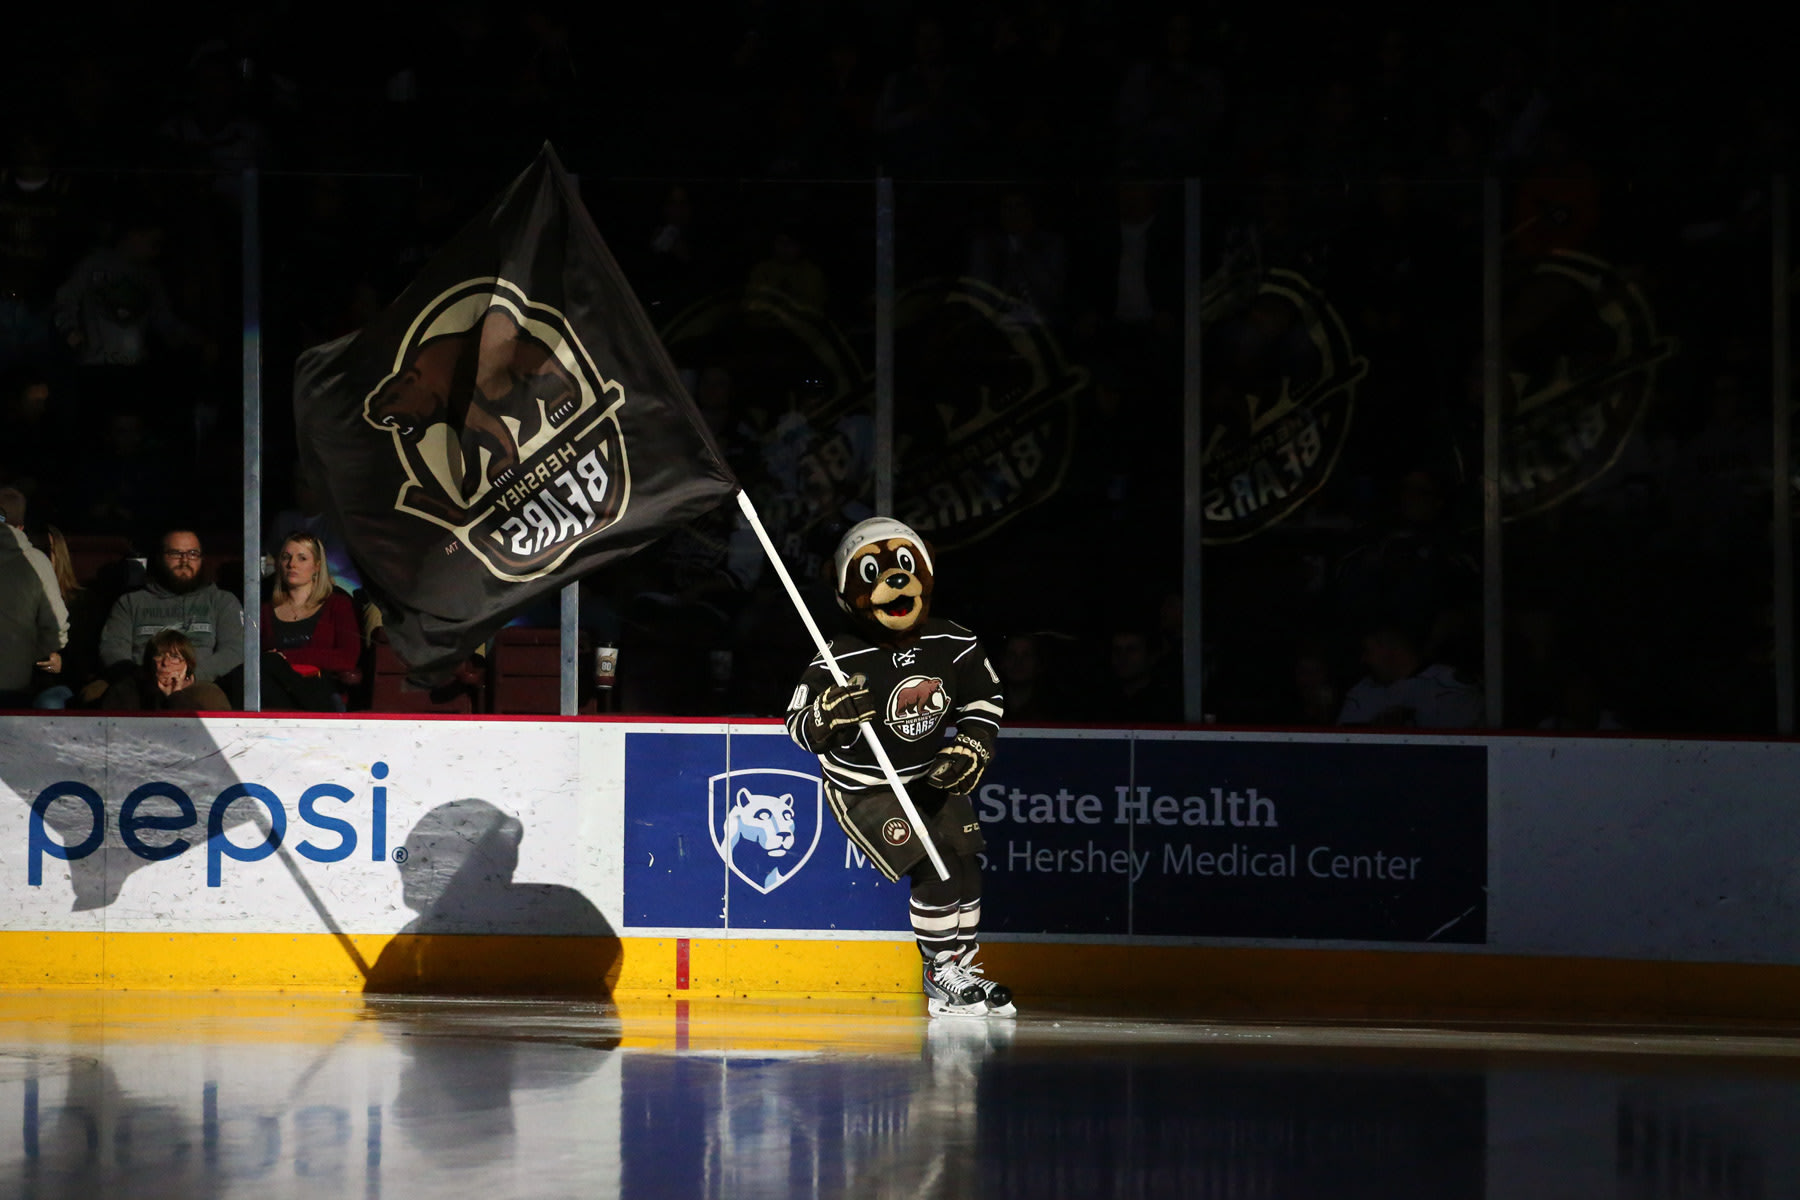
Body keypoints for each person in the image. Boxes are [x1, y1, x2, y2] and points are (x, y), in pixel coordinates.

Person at [786, 517, 1013, 1017]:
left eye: (905, 566)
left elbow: (985, 697)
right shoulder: (838, 656)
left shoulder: (953, 642)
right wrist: (827, 715)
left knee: (966, 867)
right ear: (849, 591)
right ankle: (939, 974)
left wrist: (972, 745)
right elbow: (797, 725)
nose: (894, 581)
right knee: (933, 868)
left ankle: (962, 969)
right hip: (867, 788)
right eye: (873, 572)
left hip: (930, 776)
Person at [97, 529, 243, 709]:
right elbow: (112, 648)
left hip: (199, 681)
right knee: (104, 694)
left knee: (211, 699)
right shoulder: (130, 602)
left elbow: (235, 650)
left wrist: (191, 676)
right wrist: (148, 675)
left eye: (192, 553)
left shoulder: (221, 601)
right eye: (175, 553)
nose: (185, 560)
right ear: (159, 558)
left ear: (202, 559)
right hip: (139, 679)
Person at [261, 532, 360, 711]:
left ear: (316, 566)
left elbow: (347, 658)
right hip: (276, 694)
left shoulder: (338, 605)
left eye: (302, 558)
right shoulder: (265, 610)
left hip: (322, 692)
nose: (292, 564)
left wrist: (283, 658)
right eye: (286, 557)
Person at [1337, 623, 1484, 729]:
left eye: (1368, 651)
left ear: (1391, 648)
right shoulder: (1361, 692)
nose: (1364, 660)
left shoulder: (1450, 686)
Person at [0, 507, 63, 708]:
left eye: (44, 550)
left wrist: (59, 662)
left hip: (41, 683)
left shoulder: (80, 600)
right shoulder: (24, 578)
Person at [138, 628, 230, 711]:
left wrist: (176, 696)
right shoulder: (137, 692)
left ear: (187, 662)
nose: (165, 663)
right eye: (159, 655)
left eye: (174, 657)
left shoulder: (208, 694)